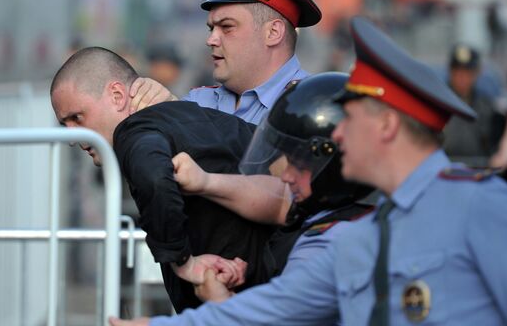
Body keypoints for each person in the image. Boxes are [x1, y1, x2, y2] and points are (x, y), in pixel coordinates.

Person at [111, 17, 507, 326]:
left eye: (350, 119)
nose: (336, 134)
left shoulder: (481, 207)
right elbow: (265, 310)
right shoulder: (363, 235)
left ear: (386, 126)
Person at [110, 71, 374, 326]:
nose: (285, 176)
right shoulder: (338, 217)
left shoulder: (327, 247)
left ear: (332, 165)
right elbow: (276, 200)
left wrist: (219, 301)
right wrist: (204, 181)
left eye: (297, 163)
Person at [50, 46, 278, 312]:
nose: (72, 137)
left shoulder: (133, 134)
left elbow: (154, 179)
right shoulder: (209, 119)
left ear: (116, 95)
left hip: (234, 302)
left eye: (77, 118)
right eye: (64, 125)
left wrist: (184, 263)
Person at [129, 0, 321, 124]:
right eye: (211, 28)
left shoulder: (313, 104)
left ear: (273, 32)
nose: (211, 39)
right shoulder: (199, 101)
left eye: (227, 27)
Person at [441, 44, 499, 163]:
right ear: (450, 71)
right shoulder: (438, 101)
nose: (462, 77)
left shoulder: (486, 105)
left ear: (476, 73)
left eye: (467, 72)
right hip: (443, 168)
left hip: (479, 169)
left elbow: (493, 146)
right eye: (458, 71)